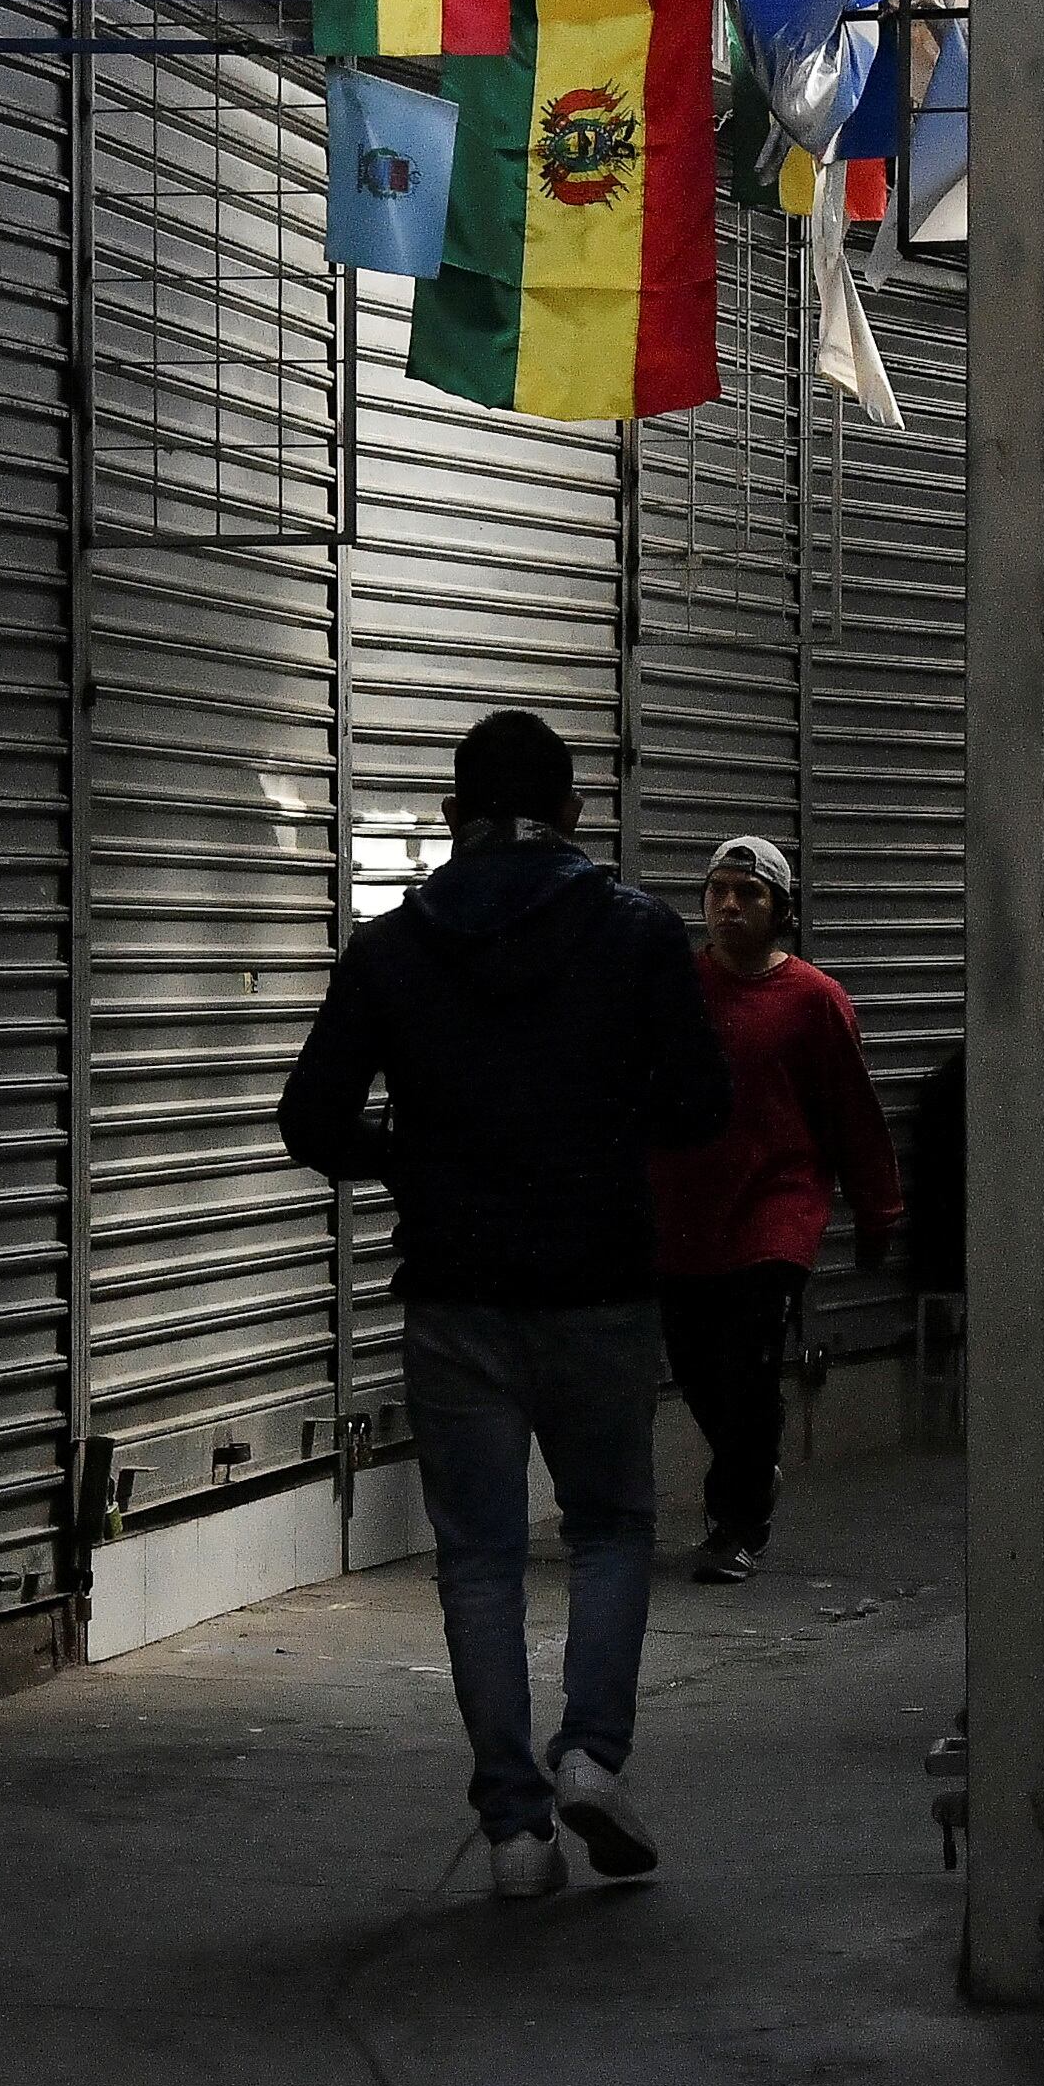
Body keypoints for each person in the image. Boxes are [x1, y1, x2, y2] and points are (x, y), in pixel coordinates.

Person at [279, 710, 732, 1898]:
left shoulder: (391, 948)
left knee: (478, 1560)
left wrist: (417, 1159)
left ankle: (516, 1833)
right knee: (609, 1529)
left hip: (456, 1290)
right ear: (576, 814)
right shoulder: (636, 934)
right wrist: (601, 1135)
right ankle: (590, 1753)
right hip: (597, 1283)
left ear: (450, 819)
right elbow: (698, 1106)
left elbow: (309, 1121)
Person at [651, 835, 903, 1585]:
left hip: (776, 1214)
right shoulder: (677, 989)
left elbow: (852, 1114)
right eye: (717, 890)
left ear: (781, 909)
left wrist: (877, 1209)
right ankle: (754, 1466)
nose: (729, 904)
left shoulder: (814, 1001)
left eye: (749, 892)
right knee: (697, 1366)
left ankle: (736, 1522)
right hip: (686, 1214)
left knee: (749, 1364)